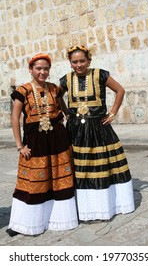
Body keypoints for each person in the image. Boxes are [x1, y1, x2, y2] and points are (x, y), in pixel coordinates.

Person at [59, 45, 135, 222]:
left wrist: (113, 113)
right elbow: (57, 96)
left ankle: (107, 205)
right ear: (70, 63)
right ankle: (85, 209)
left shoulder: (100, 74)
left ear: (89, 60)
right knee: (81, 168)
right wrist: (65, 113)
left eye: (82, 61)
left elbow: (120, 90)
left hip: (99, 128)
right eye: (75, 61)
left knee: (103, 166)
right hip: (76, 130)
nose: (79, 65)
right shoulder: (66, 79)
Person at [6, 53, 78, 237]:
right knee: (33, 181)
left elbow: (63, 109)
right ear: (31, 69)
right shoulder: (23, 91)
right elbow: (15, 118)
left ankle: (58, 219)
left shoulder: (54, 89)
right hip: (35, 143)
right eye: (38, 68)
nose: (42, 72)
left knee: (58, 178)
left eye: (46, 68)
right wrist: (20, 146)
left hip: (57, 140)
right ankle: (27, 223)